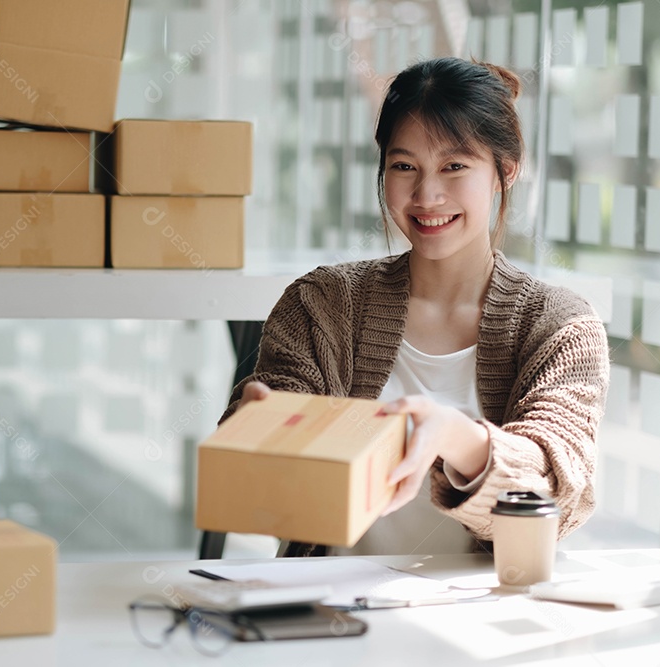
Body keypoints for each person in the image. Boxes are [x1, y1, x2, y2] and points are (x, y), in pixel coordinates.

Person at [220, 57, 610, 557]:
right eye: (405, 166)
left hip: (483, 620)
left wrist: (451, 435)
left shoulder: (560, 326)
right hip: (331, 611)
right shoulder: (321, 303)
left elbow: (558, 491)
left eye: (454, 166)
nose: (427, 195)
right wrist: (265, 439)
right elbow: (268, 493)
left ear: (504, 173)